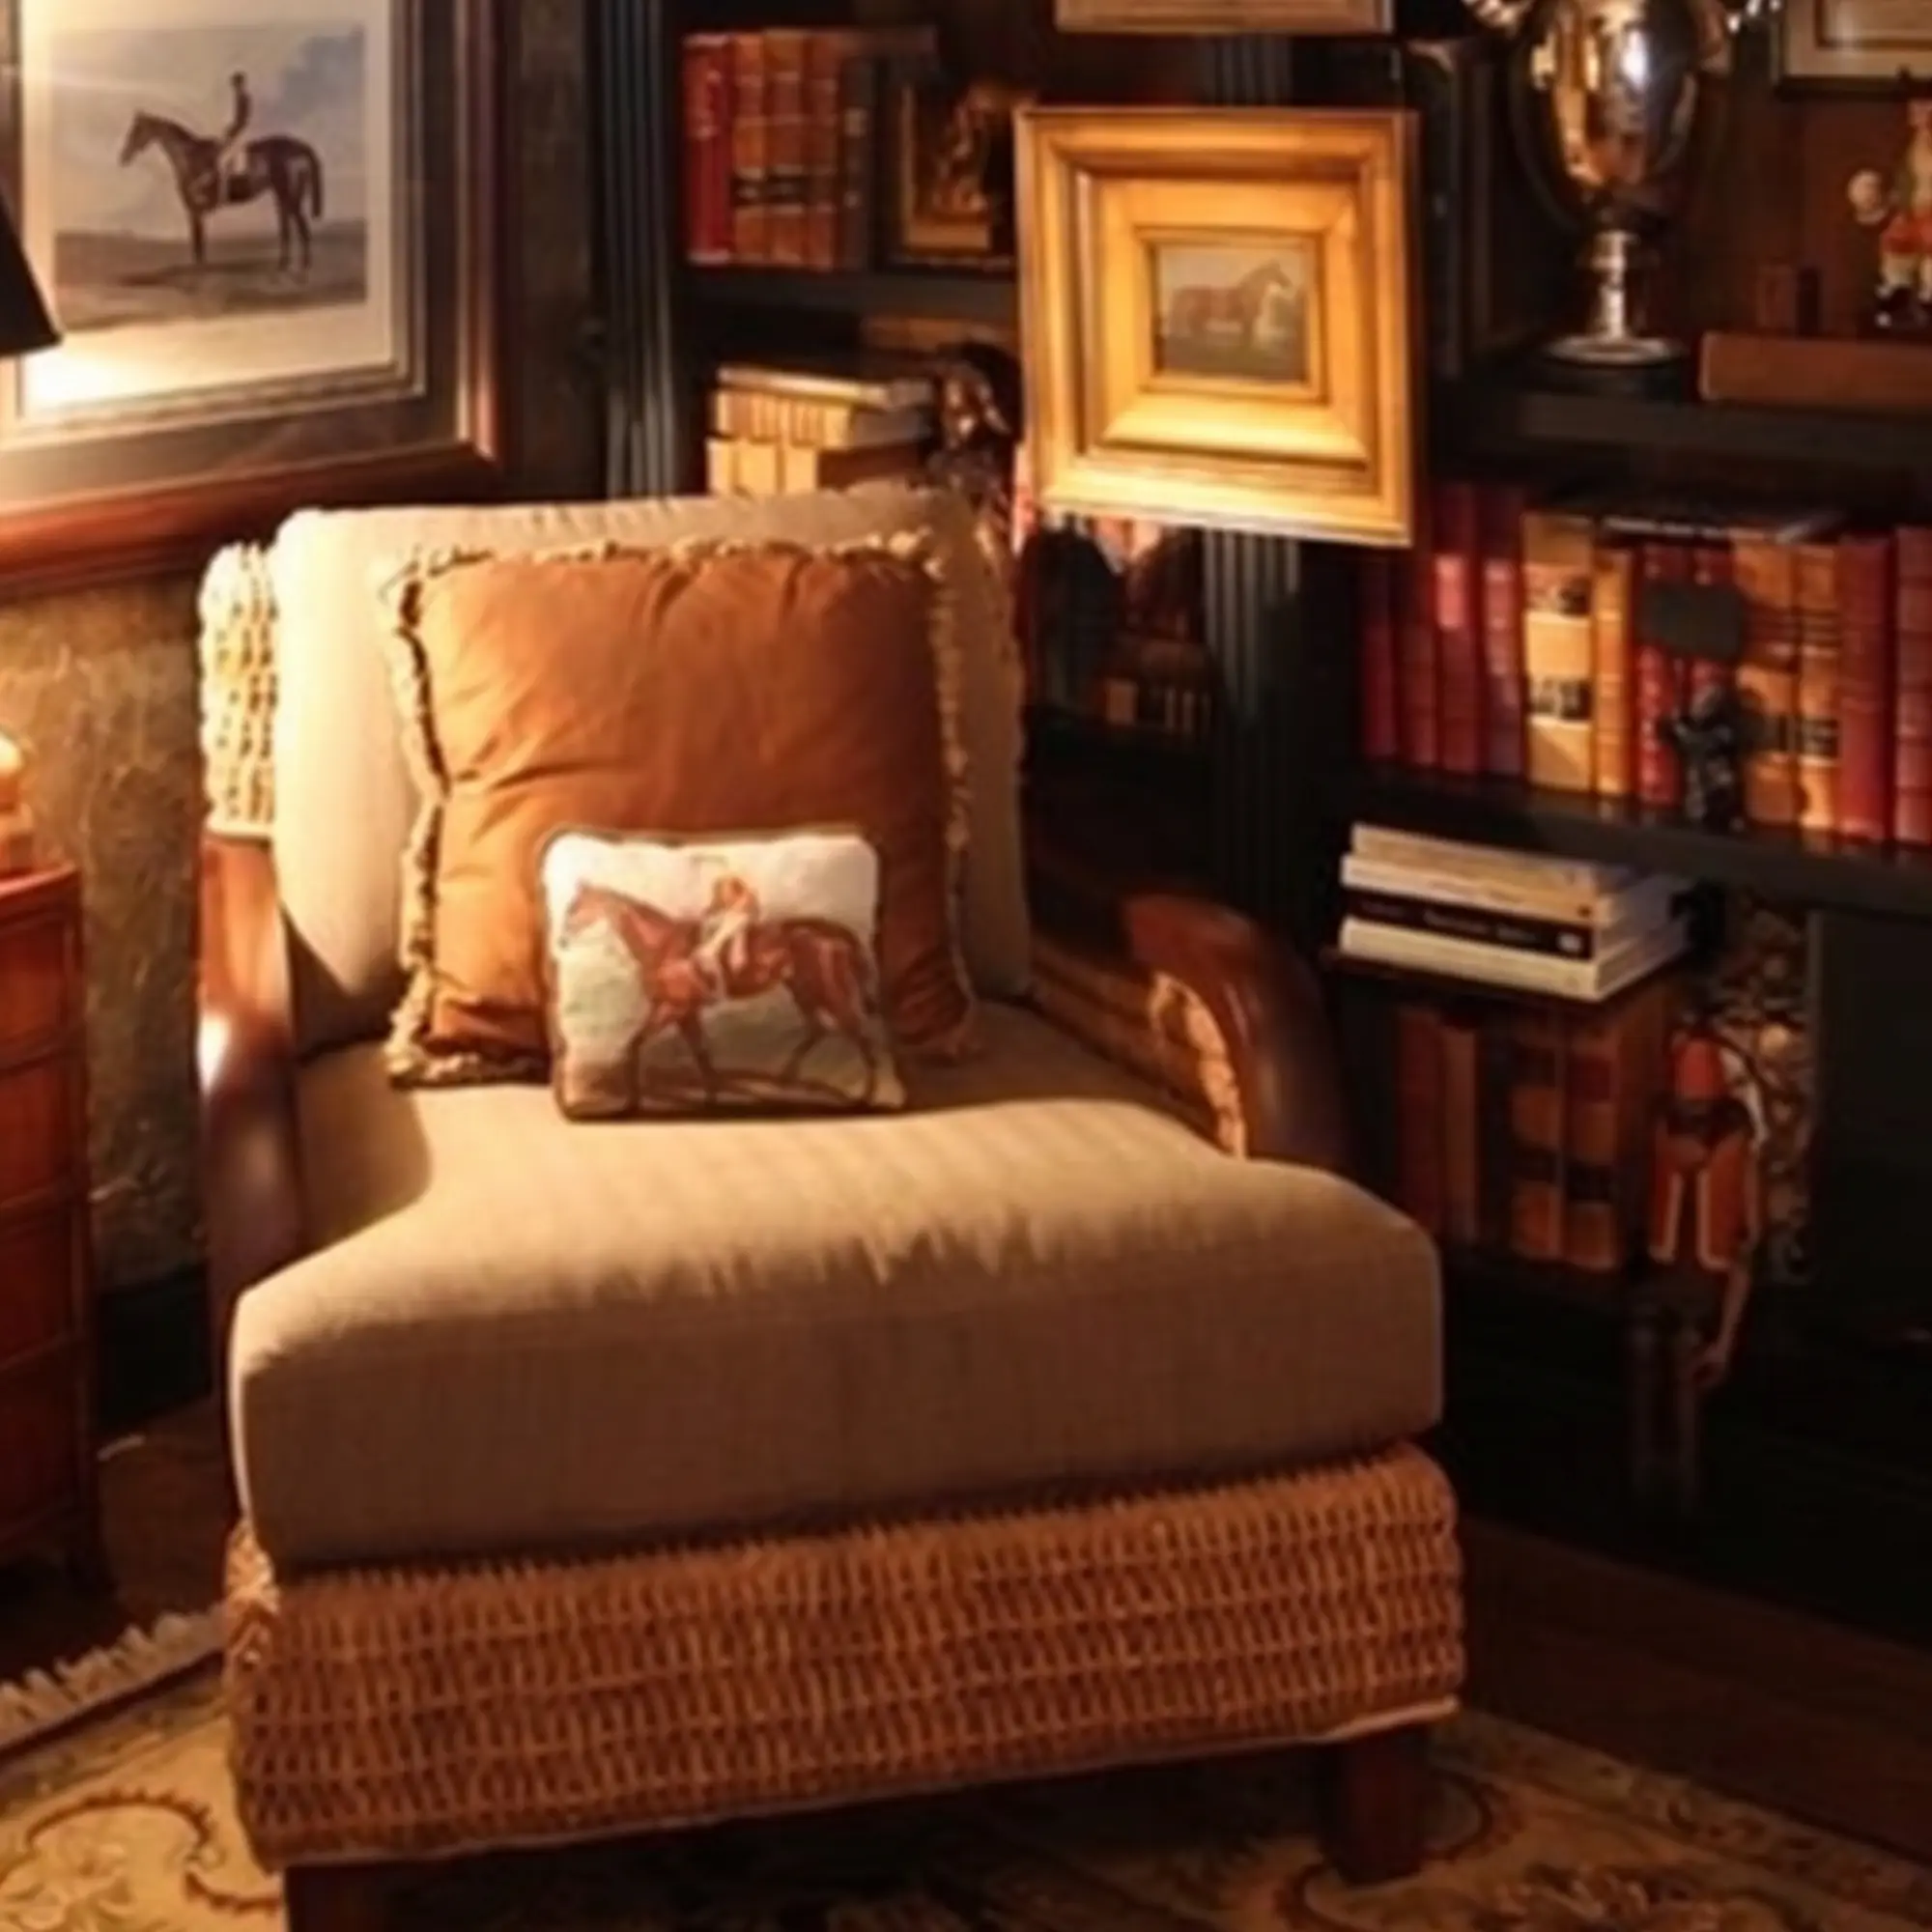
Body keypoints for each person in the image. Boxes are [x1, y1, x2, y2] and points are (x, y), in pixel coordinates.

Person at [691, 872, 759, 1000]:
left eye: (726, 890)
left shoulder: (745, 897)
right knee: (713, 922)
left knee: (732, 920)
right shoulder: (719, 901)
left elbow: (745, 911)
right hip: (726, 921)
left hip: (743, 921)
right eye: (721, 890)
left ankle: (710, 949)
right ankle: (709, 952)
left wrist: (734, 908)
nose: (724, 894)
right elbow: (712, 912)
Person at [215, 71, 252, 193]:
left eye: (236, 85)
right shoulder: (239, 97)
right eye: (234, 85)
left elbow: (243, 119)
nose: (235, 88)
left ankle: (233, 180)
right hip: (236, 128)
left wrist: (233, 131)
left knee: (229, 155)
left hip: (240, 130)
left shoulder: (244, 97)